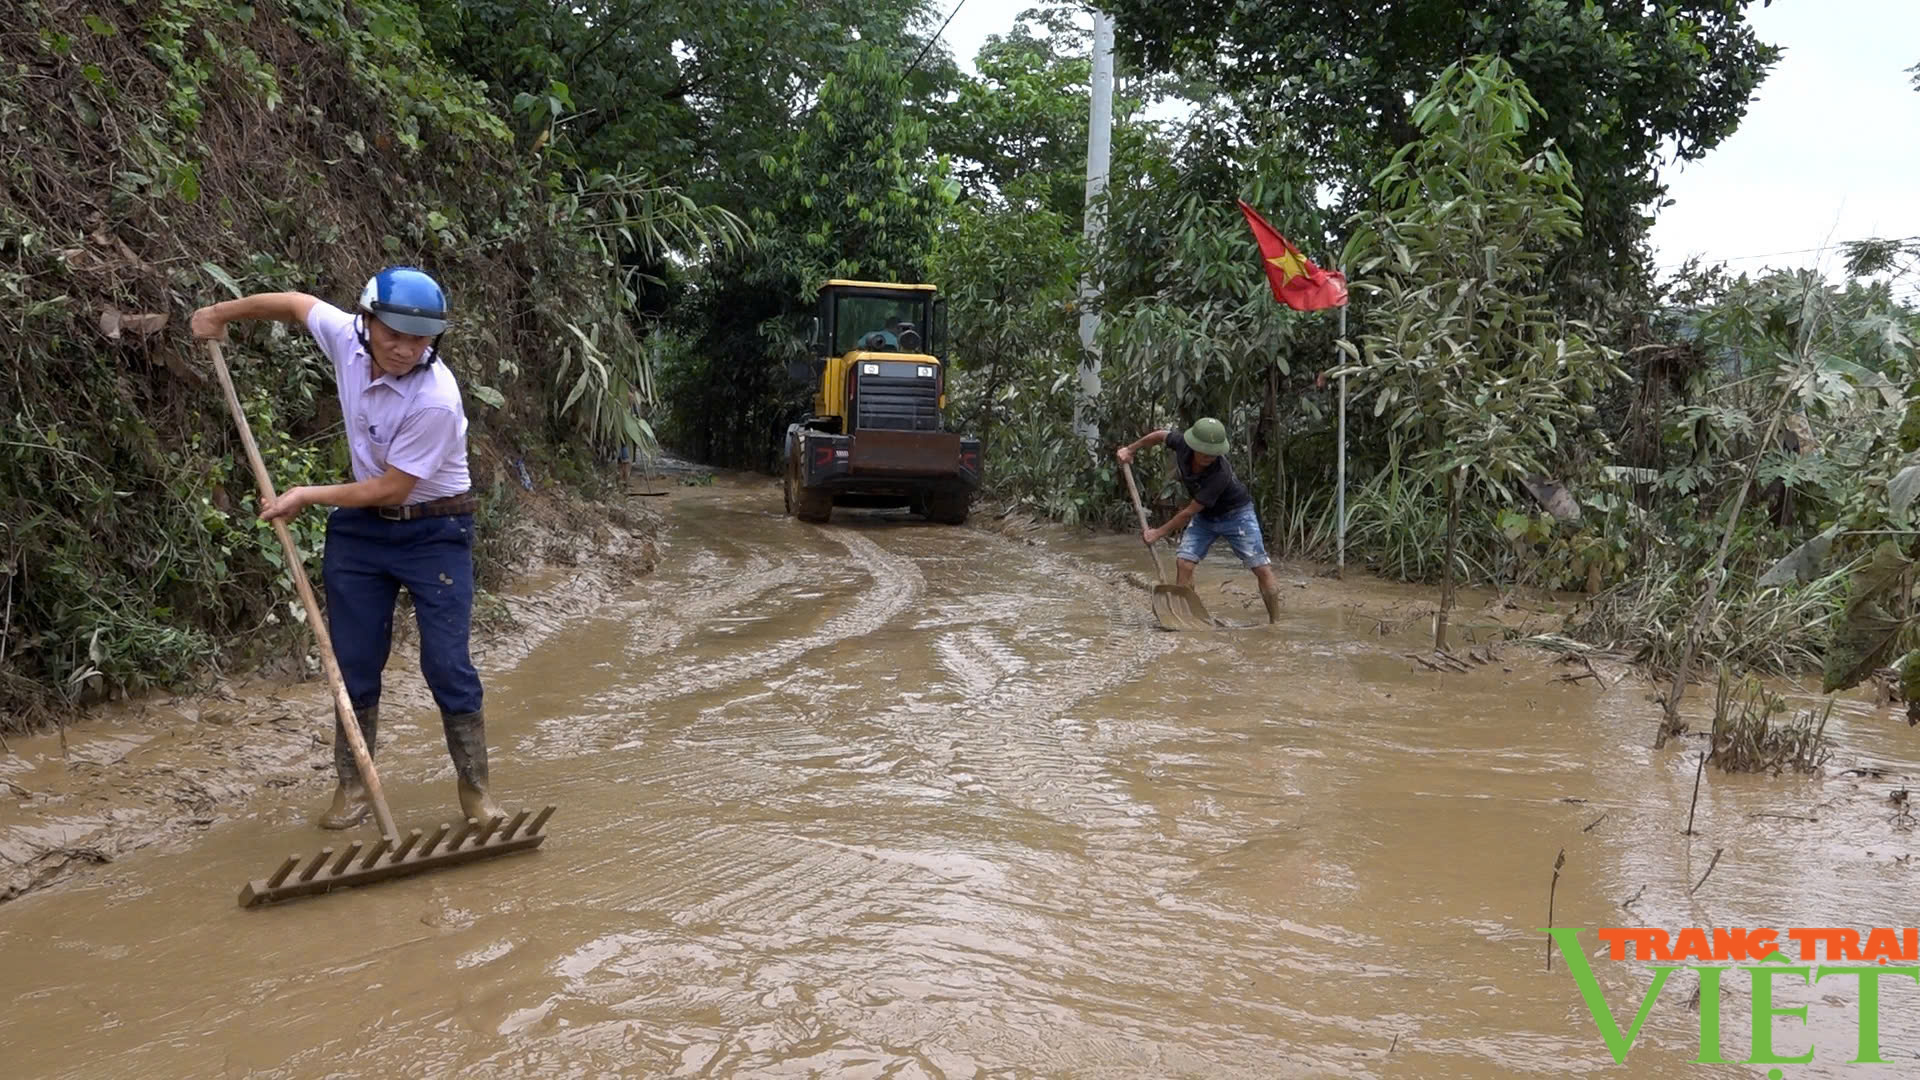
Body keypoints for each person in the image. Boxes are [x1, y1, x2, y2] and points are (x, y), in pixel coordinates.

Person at [190, 266, 505, 829]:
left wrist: (307, 495)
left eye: (421, 338)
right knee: (354, 662)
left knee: (446, 664)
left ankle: (476, 791)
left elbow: (392, 486)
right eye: (395, 334)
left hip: (435, 530)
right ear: (367, 321)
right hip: (362, 533)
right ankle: (354, 787)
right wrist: (220, 314)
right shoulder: (344, 336)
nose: (407, 349)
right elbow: (293, 302)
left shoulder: (436, 398)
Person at [1116, 417, 1283, 623]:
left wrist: (1158, 533)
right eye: (1204, 451)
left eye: (1213, 453)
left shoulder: (1220, 473)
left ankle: (1275, 623)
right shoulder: (1182, 443)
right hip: (1206, 516)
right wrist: (1131, 449)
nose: (1208, 457)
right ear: (1193, 445)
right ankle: (1187, 616)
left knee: (1261, 568)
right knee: (1184, 563)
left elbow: (1188, 513)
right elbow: (1159, 435)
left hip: (1237, 514)